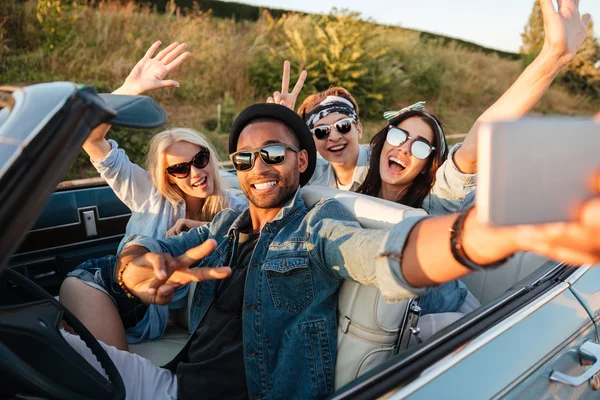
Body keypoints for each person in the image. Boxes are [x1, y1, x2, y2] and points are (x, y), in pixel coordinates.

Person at [61, 103, 600, 400]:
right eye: (244, 158)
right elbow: (151, 251)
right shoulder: (224, 221)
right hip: (177, 380)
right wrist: (136, 270)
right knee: (38, 351)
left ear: (301, 161)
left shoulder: (320, 222)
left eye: (273, 152)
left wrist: (481, 234)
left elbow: (391, 253)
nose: (258, 166)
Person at [290, 0, 591, 197]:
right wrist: (282, 123)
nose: (405, 147)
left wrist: (553, 58)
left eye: (420, 145)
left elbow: (478, 138)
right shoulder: (325, 182)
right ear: (383, 142)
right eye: (398, 135)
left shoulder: (435, 202)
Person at [59, 41, 247, 350]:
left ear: (209, 157)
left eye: (200, 160)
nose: (195, 173)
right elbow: (92, 138)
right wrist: (131, 90)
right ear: (167, 177)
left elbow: (270, 196)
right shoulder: (149, 193)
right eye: (180, 169)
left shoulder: (232, 202)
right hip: (100, 284)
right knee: (117, 379)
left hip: (141, 316)